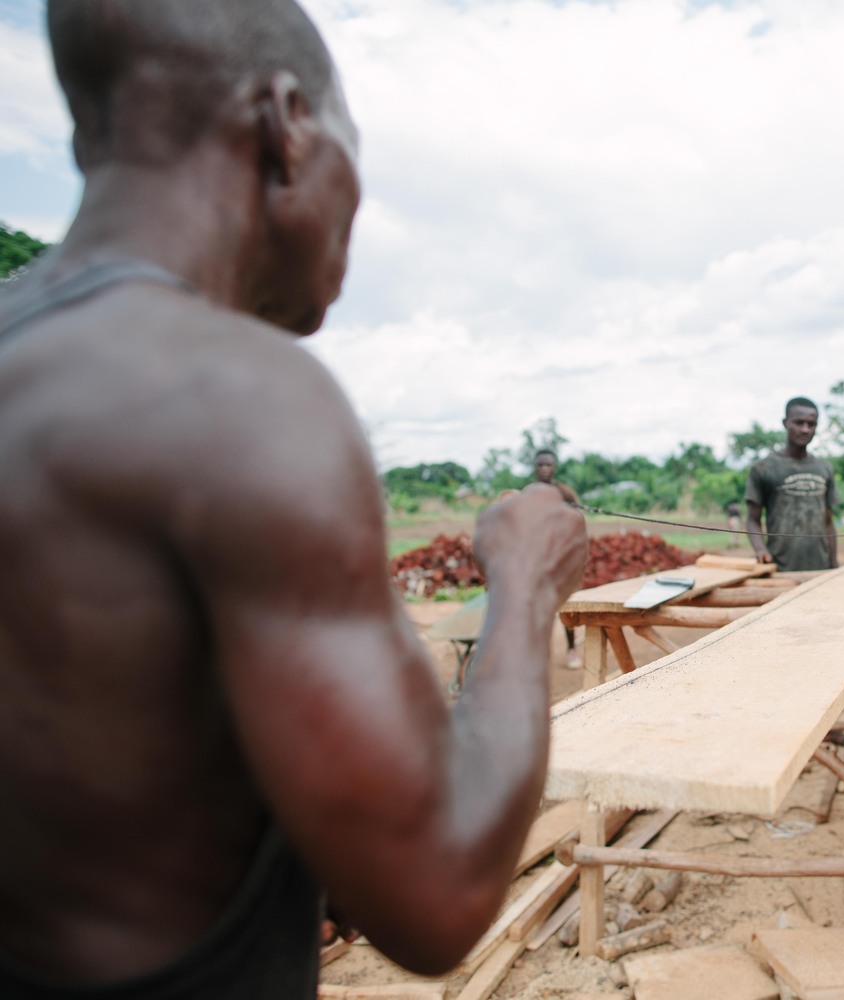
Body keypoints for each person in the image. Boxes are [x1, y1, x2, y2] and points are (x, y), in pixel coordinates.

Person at [0, 2, 587, 995]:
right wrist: (523, 584)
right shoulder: (236, 399)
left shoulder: (36, 363)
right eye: (352, 150)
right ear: (287, 126)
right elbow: (436, 895)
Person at [745, 397, 839, 571]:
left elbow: (828, 522)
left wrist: (833, 565)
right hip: (780, 569)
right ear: (785, 423)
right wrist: (760, 550)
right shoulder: (764, 468)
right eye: (799, 422)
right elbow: (752, 519)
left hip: (821, 568)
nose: (805, 429)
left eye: (811, 424)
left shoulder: (824, 468)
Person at [531, 448, 583, 667]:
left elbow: (577, 525)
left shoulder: (565, 494)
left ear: (555, 467)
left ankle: (571, 649)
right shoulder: (528, 494)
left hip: (562, 561)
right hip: (537, 562)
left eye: (548, 465)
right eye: (540, 464)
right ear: (535, 467)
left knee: (566, 607)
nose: (544, 468)